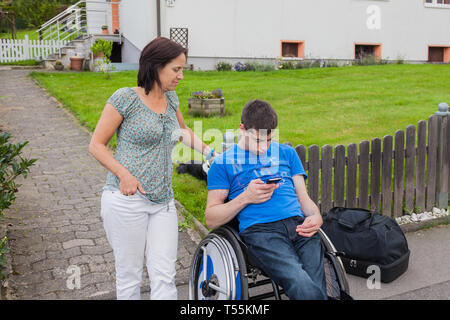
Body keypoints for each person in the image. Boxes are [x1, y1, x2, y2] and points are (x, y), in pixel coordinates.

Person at [89, 37, 217, 300]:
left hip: (163, 202)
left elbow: (182, 130)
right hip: (126, 201)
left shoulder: (171, 99)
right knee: (129, 277)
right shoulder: (125, 98)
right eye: (176, 69)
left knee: (164, 275)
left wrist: (209, 152)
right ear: (156, 66)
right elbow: (96, 145)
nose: (181, 75)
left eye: (183, 68)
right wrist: (124, 174)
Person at [205, 99, 328, 300]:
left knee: (314, 285)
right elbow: (211, 218)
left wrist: (316, 216)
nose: (263, 148)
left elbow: (303, 199)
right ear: (242, 129)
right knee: (301, 283)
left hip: (300, 226)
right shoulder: (222, 163)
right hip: (263, 232)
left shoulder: (287, 153)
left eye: (268, 140)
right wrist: (245, 197)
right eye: (258, 141)